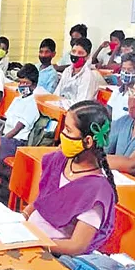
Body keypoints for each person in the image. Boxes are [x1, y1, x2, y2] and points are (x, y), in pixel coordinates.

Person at [21, 101, 117, 256]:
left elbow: (76, 246)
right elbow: (42, 201)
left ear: (87, 141)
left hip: (50, 254)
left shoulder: (96, 190)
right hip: (28, 236)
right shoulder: (59, 160)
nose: (62, 135)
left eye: (68, 130)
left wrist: (36, 242)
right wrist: (23, 216)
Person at [0, 64, 40, 181]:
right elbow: (6, 122)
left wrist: (2, 139)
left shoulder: (31, 105)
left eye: (26, 83)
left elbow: (17, 129)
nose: (22, 85)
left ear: (34, 86)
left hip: (17, 142)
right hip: (7, 137)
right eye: (20, 83)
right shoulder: (17, 100)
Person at [107, 73, 135, 179]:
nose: (134, 99)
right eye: (133, 92)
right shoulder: (124, 121)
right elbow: (102, 147)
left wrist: (90, 159)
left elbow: (132, 165)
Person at [54, 38, 100, 106]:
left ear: (87, 57)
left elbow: (82, 104)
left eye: (80, 53)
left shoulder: (88, 76)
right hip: (60, 109)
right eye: (73, 51)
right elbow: (56, 94)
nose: (75, 55)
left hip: (78, 113)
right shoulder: (67, 71)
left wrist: (62, 103)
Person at [107, 53, 135, 121]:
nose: (125, 72)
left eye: (130, 70)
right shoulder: (117, 92)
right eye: (123, 69)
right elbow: (108, 112)